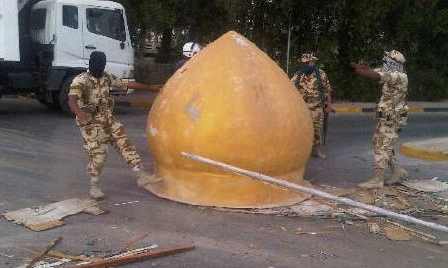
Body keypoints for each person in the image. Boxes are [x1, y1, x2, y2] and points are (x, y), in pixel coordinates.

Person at [68, 51, 163, 199]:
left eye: (102, 64)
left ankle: (141, 175)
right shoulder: (81, 80)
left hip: (108, 119)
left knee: (125, 144)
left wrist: (150, 88)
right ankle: (94, 186)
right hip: (91, 124)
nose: (100, 67)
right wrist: (79, 113)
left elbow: (126, 83)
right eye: (98, 64)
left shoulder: (106, 77)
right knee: (98, 156)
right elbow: (72, 99)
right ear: (91, 64)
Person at [350, 50, 408, 189]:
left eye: (387, 59)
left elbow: (373, 74)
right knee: (380, 143)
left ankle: (378, 180)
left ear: (394, 62)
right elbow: (370, 69)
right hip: (386, 118)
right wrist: (354, 65)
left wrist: (358, 71)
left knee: (382, 146)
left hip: (392, 119)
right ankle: (397, 171)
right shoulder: (391, 71)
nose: (384, 60)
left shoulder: (398, 76)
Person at [291, 53, 333, 159]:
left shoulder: (321, 74)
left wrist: (328, 105)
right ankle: (301, 151)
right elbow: (290, 90)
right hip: (302, 109)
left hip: (317, 108)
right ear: (303, 63)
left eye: (311, 62)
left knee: (316, 130)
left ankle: (316, 150)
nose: (310, 64)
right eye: (307, 62)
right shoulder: (297, 75)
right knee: (301, 130)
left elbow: (327, 91)